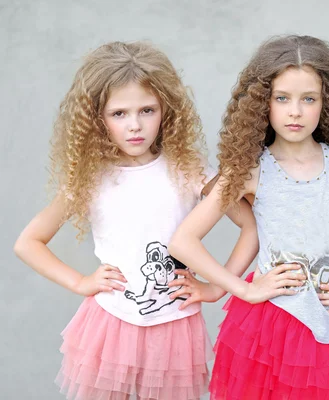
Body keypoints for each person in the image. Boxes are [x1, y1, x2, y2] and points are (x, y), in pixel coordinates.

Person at [168, 35, 329, 400]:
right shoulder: (252, 170)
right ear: (262, 103)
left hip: (327, 327)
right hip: (266, 327)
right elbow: (182, 241)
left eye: (308, 99)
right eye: (282, 98)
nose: (295, 111)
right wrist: (245, 289)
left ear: (326, 102)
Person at [14, 41, 257, 400]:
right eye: (119, 114)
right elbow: (28, 243)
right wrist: (81, 281)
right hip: (111, 322)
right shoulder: (90, 178)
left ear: (166, 111)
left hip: (174, 326)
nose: (135, 126)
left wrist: (217, 288)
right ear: (97, 118)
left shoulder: (188, 171)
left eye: (147, 110)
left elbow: (252, 227)